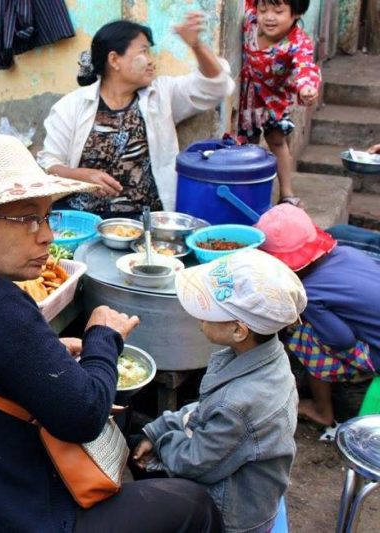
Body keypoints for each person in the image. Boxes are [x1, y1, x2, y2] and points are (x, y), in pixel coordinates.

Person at [0, 134, 223, 532]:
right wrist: (103, 336)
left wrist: (46, 352)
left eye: (46, 216)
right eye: (26, 219)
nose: (47, 235)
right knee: (191, 503)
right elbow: (83, 417)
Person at [133, 249, 306, 533]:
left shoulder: (239, 404)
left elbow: (194, 462)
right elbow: (205, 409)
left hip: (234, 515)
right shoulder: (265, 355)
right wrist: (159, 428)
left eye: (207, 312)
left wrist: (162, 443)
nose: (199, 319)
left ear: (239, 330)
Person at [37, 14, 234, 218]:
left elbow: (217, 87)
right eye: (144, 52)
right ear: (114, 60)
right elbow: (50, 165)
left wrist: (196, 45)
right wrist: (81, 176)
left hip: (146, 221)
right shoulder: (71, 106)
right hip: (84, 219)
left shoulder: (161, 95)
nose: (151, 61)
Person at [256, 204, 380, 428]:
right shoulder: (347, 252)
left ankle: (322, 410)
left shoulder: (309, 292)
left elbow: (342, 341)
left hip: (376, 354)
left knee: (302, 334)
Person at [238, 0, 321, 206]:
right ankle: (245, 193)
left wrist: (307, 88)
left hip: (274, 96)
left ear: (296, 14)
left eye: (278, 11)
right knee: (247, 143)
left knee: (277, 140)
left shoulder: (298, 42)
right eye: (263, 10)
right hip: (247, 94)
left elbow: (305, 66)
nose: (269, 17)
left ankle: (286, 192)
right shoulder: (251, 21)